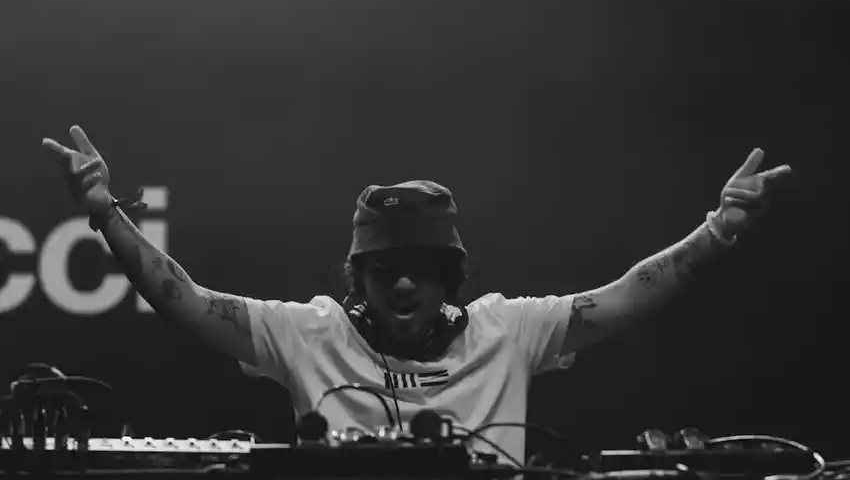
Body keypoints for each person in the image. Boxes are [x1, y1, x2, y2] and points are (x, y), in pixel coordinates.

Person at [42, 125, 792, 466]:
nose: (404, 283)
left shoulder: (508, 330)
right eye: (384, 268)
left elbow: (627, 296)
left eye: (423, 268)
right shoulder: (310, 333)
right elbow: (187, 301)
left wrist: (717, 231)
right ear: (358, 277)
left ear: (449, 275)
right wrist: (107, 216)